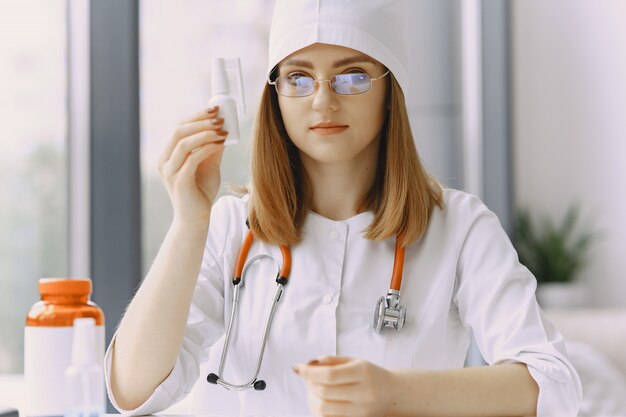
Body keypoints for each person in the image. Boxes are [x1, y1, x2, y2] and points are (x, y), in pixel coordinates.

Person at [105, 0, 582, 416]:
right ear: (275, 96)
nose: (322, 99)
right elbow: (132, 391)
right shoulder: (229, 227)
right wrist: (189, 222)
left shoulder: (460, 228)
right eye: (298, 77)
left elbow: (553, 386)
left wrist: (393, 393)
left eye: (352, 75)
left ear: (389, 88)